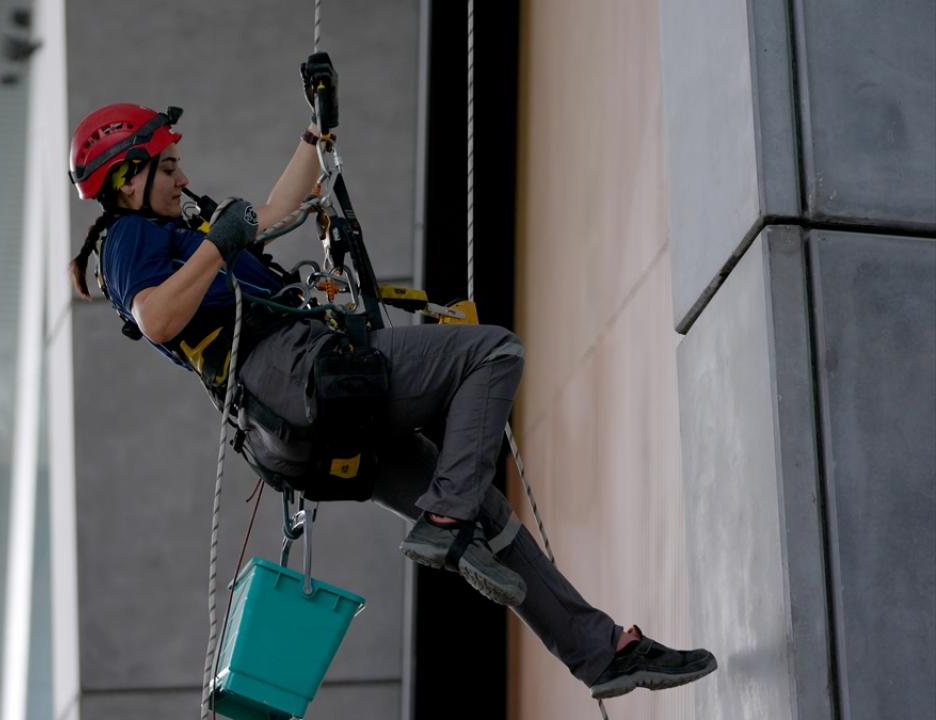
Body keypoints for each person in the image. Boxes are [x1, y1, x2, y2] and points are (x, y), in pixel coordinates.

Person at [67, 54, 716, 700]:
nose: (183, 177)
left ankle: (600, 654)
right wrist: (217, 244)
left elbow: (272, 211)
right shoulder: (126, 239)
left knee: (487, 513)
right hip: (296, 379)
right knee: (490, 355)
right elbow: (154, 318)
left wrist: (315, 135)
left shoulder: (182, 234)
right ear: (128, 179)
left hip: (295, 423)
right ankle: (445, 521)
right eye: (168, 165)